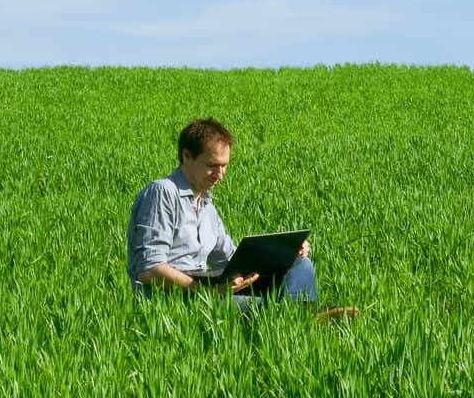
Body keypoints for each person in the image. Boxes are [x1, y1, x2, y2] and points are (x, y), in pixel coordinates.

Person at [126, 117, 326, 309]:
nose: (220, 175)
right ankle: (307, 317)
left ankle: (304, 317)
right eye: (212, 166)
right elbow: (149, 269)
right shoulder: (162, 192)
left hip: (208, 292)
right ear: (187, 156)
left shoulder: (206, 204)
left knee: (300, 266)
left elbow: (230, 260)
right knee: (268, 309)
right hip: (176, 299)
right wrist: (206, 291)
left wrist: (286, 253)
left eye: (224, 166)